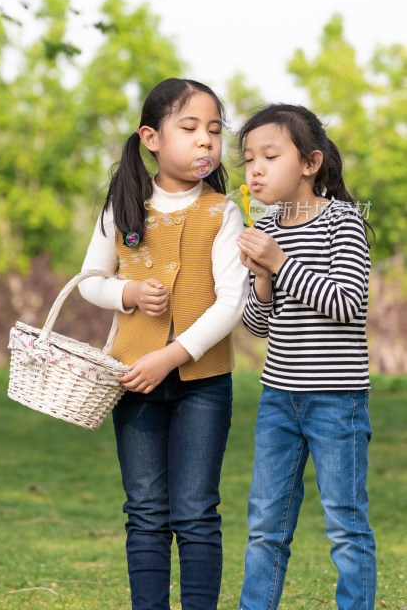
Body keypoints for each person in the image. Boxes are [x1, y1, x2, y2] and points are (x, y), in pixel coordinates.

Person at [79, 78, 249, 610]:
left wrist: (171, 357)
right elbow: (89, 280)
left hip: (203, 384)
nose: (206, 141)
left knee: (196, 510)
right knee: (146, 509)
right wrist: (126, 291)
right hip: (131, 379)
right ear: (151, 137)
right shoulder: (124, 207)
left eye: (215, 131)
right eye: (190, 128)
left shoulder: (223, 211)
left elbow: (231, 304)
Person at [235, 103, 376, 610]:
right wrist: (262, 277)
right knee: (265, 527)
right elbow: (257, 326)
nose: (255, 169)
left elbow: (346, 304)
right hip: (278, 399)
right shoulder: (267, 228)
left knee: (345, 525)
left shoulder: (344, 222)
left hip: (337, 401)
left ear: (310, 163)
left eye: (270, 156)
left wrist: (280, 262)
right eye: (248, 158)